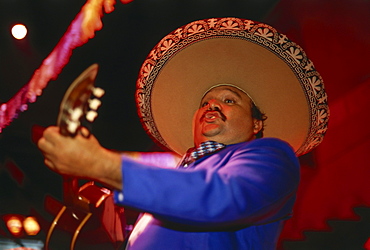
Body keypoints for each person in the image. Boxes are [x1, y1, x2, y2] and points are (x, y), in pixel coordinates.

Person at [37, 17, 329, 249]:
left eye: (229, 100)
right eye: (205, 102)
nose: (212, 105)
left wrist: (99, 164)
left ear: (256, 125)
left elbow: (218, 197)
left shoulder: (273, 156)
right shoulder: (175, 167)